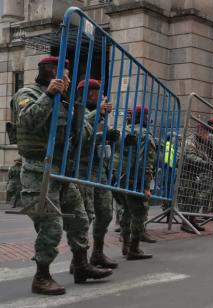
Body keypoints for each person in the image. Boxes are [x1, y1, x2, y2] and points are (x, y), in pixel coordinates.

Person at [16, 56, 112, 295]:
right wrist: (48, 96)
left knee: (80, 219)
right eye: (66, 75)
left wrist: (92, 116)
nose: (68, 80)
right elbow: (28, 121)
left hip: (62, 173)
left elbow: (84, 134)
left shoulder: (66, 101)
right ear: (52, 74)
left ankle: (80, 265)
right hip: (38, 171)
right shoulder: (27, 93)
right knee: (52, 226)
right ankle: (41, 276)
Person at [72, 79, 119, 270]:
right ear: (84, 94)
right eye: (94, 92)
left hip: (100, 171)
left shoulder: (101, 117)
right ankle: (78, 260)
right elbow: (78, 133)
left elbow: (100, 139)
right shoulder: (77, 111)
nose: (99, 96)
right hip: (82, 170)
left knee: (106, 213)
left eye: (100, 92)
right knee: (85, 217)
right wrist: (98, 112)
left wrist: (114, 137)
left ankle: (97, 253)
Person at [113, 105, 156, 259]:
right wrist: (145, 186)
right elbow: (146, 163)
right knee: (139, 213)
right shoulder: (145, 135)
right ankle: (134, 248)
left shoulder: (121, 131)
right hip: (134, 179)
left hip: (117, 178)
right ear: (144, 118)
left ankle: (125, 245)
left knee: (125, 211)